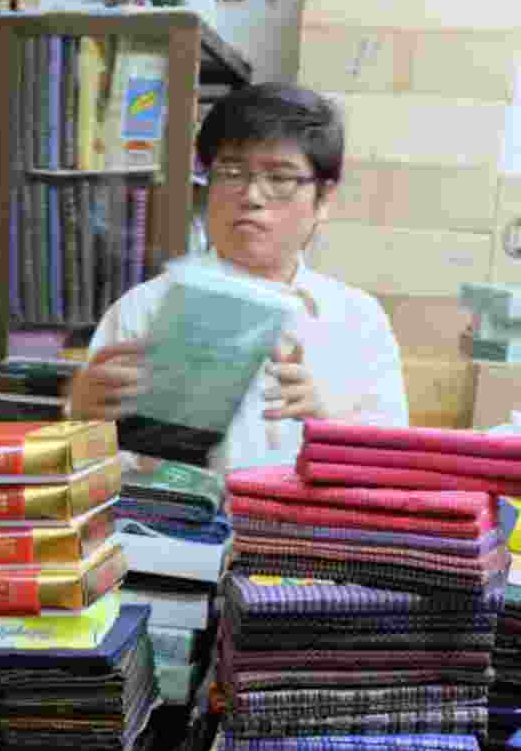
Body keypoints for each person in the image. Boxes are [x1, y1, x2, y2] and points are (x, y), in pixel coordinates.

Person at [65, 83, 409, 473]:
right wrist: (83, 418)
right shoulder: (141, 311)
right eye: (231, 172)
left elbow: (392, 474)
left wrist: (329, 425)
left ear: (324, 199)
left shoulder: (360, 322)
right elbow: (87, 475)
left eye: (279, 178)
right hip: (172, 514)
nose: (251, 196)